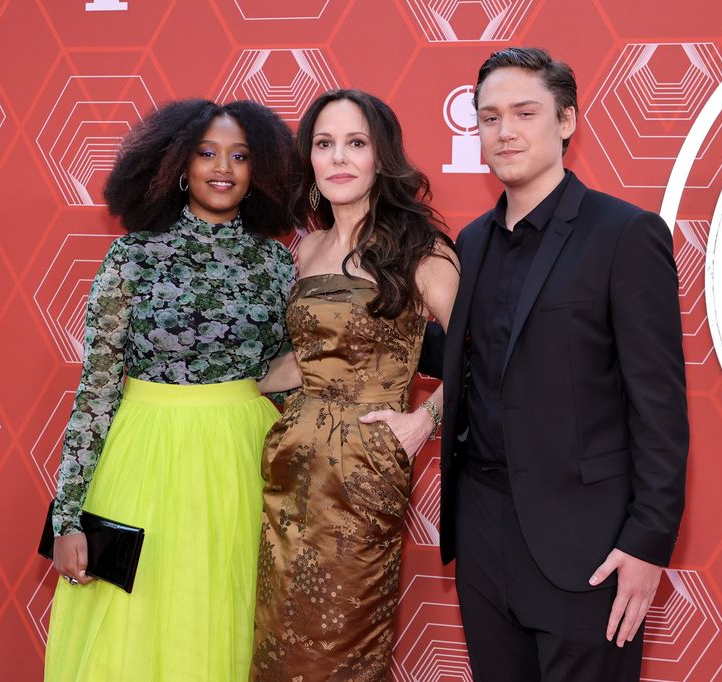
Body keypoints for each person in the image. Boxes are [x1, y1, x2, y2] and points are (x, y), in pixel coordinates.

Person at [436, 48, 689, 680]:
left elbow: (658, 404)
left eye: (526, 112)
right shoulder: (470, 243)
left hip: (589, 543)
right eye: (489, 118)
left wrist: (647, 542)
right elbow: (470, 373)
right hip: (483, 530)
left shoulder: (625, 234)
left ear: (567, 121)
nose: (506, 131)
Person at [44, 98, 297, 681]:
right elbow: (97, 389)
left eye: (240, 155)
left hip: (242, 460)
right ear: (179, 164)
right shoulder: (132, 255)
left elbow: (289, 381)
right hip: (144, 457)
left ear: (259, 171)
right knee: (135, 625)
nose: (223, 168)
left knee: (226, 611)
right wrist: (68, 519)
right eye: (207, 153)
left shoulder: (276, 263)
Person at [250, 89, 460, 680]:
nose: (339, 157)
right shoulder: (307, 248)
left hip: (363, 467)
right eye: (324, 144)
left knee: (339, 644)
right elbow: (303, 359)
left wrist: (425, 419)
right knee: (276, 636)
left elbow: (487, 354)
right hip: (291, 462)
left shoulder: (421, 249)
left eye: (356, 143)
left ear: (380, 158)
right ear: (310, 161)